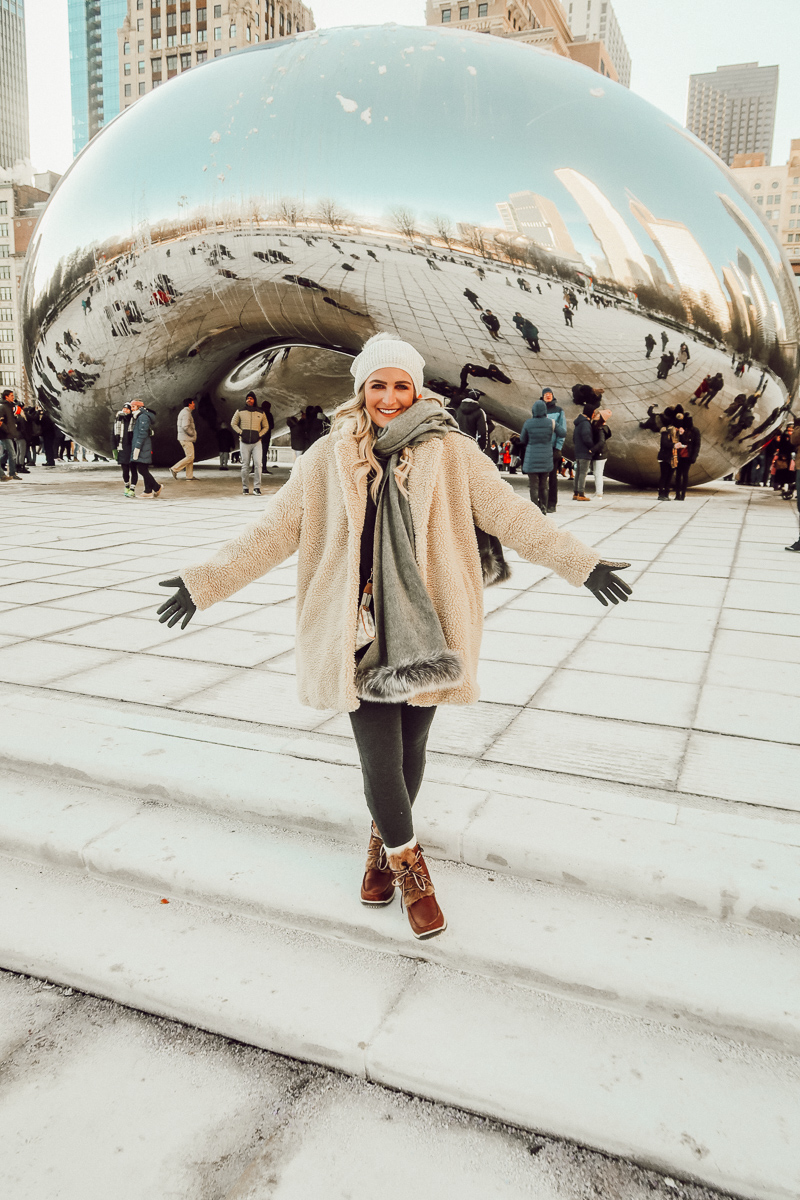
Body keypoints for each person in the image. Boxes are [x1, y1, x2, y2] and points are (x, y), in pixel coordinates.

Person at [157, 332, 632, 941]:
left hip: (428, 625)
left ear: (417, 389)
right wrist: (205, 582)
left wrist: (580, 563)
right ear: (361, 389)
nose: (388, 396)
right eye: (377, 385)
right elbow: (272, 533)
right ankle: (412, 867)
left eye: (399, 384)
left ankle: (383, 841)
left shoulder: (452, 453)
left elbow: (514, 517)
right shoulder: (326, 457)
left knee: (411, 748)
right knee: (378, 754)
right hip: (354, 626)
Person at [520, 398, 555, 513]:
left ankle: (535, 508)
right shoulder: (550, 422)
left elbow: (522, 439)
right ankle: (544, 506)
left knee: (533, 485)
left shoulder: (528, 423)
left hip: (532, 459)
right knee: (544, 485)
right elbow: (563, 432)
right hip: (545, 458)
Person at [232, 391, 271, 495]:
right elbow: (233, 423)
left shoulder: (261, 413)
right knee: (245, 465)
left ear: (254, 400)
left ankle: (257, 487)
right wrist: (241, 432)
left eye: (251, 398)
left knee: (258, 464)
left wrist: (259, 434)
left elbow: (266, 426)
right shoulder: (240, 411)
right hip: (244, 443)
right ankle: (245, 487)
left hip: (257, 442)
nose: (249, 400)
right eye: (248, 398)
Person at [130, 398, 162, 497]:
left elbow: (142, 433)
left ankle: (156, 487)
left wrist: (137, 447)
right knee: (143, 469)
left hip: (143, 447)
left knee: (142, 470)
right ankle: (148, 491)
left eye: (133, 406)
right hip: (142, 446)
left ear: (139, 407)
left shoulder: (143, 417)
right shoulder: (139, 416)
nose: (132, 409)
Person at [572, 406, 597, 501]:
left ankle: (575, 493)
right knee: (583, 473)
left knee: (578, 473)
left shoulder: (578, 423)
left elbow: (574, 438)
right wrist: (592, 447)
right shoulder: (586, 423)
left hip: (578, 451)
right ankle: (581, 494)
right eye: (593, 412)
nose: (594, 414)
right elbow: (587, 437)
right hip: (585, 452)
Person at [114, 402, 138, 497]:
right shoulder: (118, 419)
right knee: (124, 469)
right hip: (122, 447)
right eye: (124, 408)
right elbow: (113, 434)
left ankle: (132, 488)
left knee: (133, 468)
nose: (125, 410)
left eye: (127, 409)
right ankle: (126, 485)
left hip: (131, 447)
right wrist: (114, 448)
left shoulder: (135, 419)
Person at [674, 415, 700, 501]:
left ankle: (683, 494)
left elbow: (697, 445)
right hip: (679, 455)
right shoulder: (681, 430)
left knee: (684, 475)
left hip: (687, 456)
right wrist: (680, 434)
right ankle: (677, 494)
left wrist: (694, 456)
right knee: (678, 475)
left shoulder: (695, 431)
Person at [170, 398, 197, 481]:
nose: (194, 404)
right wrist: (192, 433)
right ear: (189, 404)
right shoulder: (186, 413)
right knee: (190, 456)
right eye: (193, 403)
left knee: (190, 457)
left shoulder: (185, 412)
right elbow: (185, 426)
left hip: (185, 438)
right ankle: (175, 469)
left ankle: (189, 476)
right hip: (186, 438)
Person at [589, 408, 612, 497]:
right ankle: (598, 492)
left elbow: (601, 442)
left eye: (598, 415)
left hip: (600, 454)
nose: (595, 415)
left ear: (601, 418)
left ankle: (599, 493)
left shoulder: (600, 429)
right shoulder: (598, 426)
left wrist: (593, 449)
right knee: (596, 473)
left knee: (598, 473)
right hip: (599, 453)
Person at [0, 388, 21, 481]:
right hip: (5, 434)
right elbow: (0, 421)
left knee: (8, 454)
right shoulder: (3, 407)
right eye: (11, 395)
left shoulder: (10, 407)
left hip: (10, 433)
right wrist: (7, 429)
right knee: (12, 454)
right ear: (6, 396)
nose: (13, 397)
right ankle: (12, 473)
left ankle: (12, 473)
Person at [657, 423, 679, 501]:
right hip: (665, 458)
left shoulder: (675, 437)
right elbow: (665, 444)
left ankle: (666, 493)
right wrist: (674, 445)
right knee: (664, 476)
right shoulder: (665, 434)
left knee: (669, 476)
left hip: (673, 459)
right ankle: (661, 494)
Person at [260, 400, 275, 474]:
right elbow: (272, 426)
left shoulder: (258, 414)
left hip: (258, 436)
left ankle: (254, 468)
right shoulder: (269, 415)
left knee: (256, 453)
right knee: (264, 453)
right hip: (266, 436)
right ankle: (264, 468)